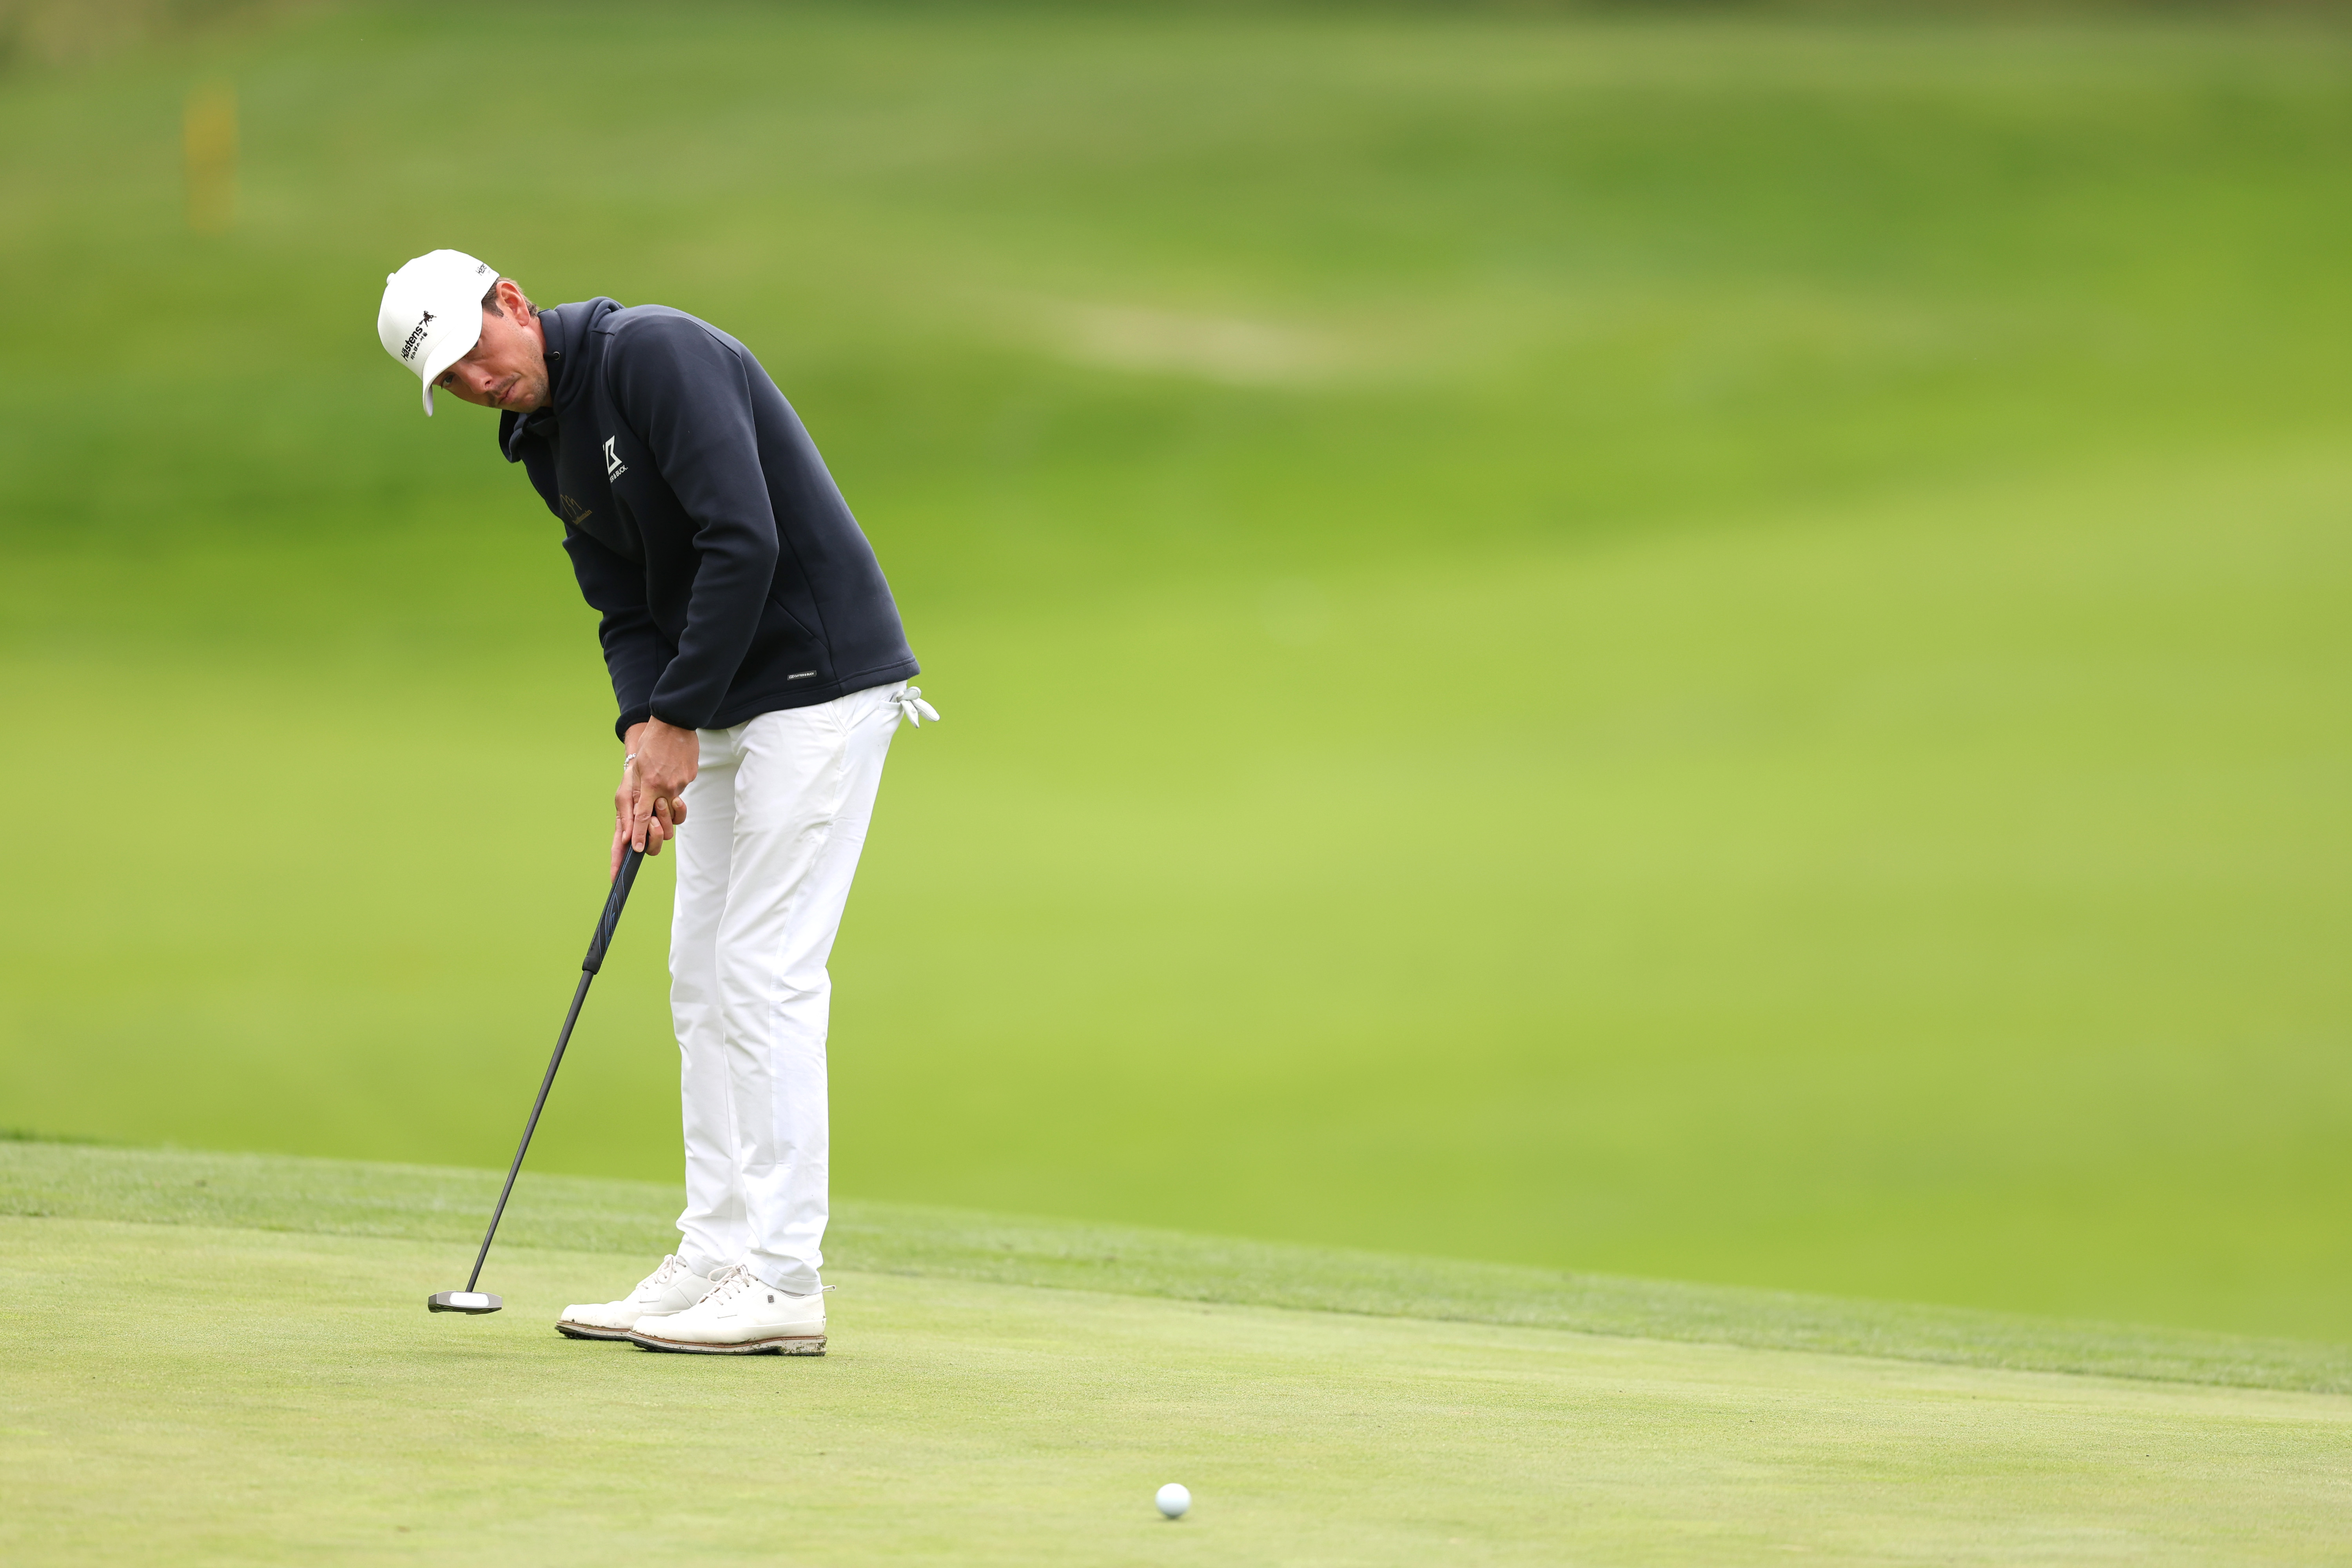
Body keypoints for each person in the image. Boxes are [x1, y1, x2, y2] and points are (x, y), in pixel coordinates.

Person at [375, 249, 938, 1355]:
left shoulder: (656, 356)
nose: (476, 385)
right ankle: (717, 1253)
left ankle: (785, 1280)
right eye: (451, 382)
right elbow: (620, 602)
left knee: (765, 970)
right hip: (719, 705)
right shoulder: (537, 442)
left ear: (514, 304)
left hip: (819, 686)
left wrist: (676, 721)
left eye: (474, 356)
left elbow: (746, 537)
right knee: (698, 972)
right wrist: (645, 732)